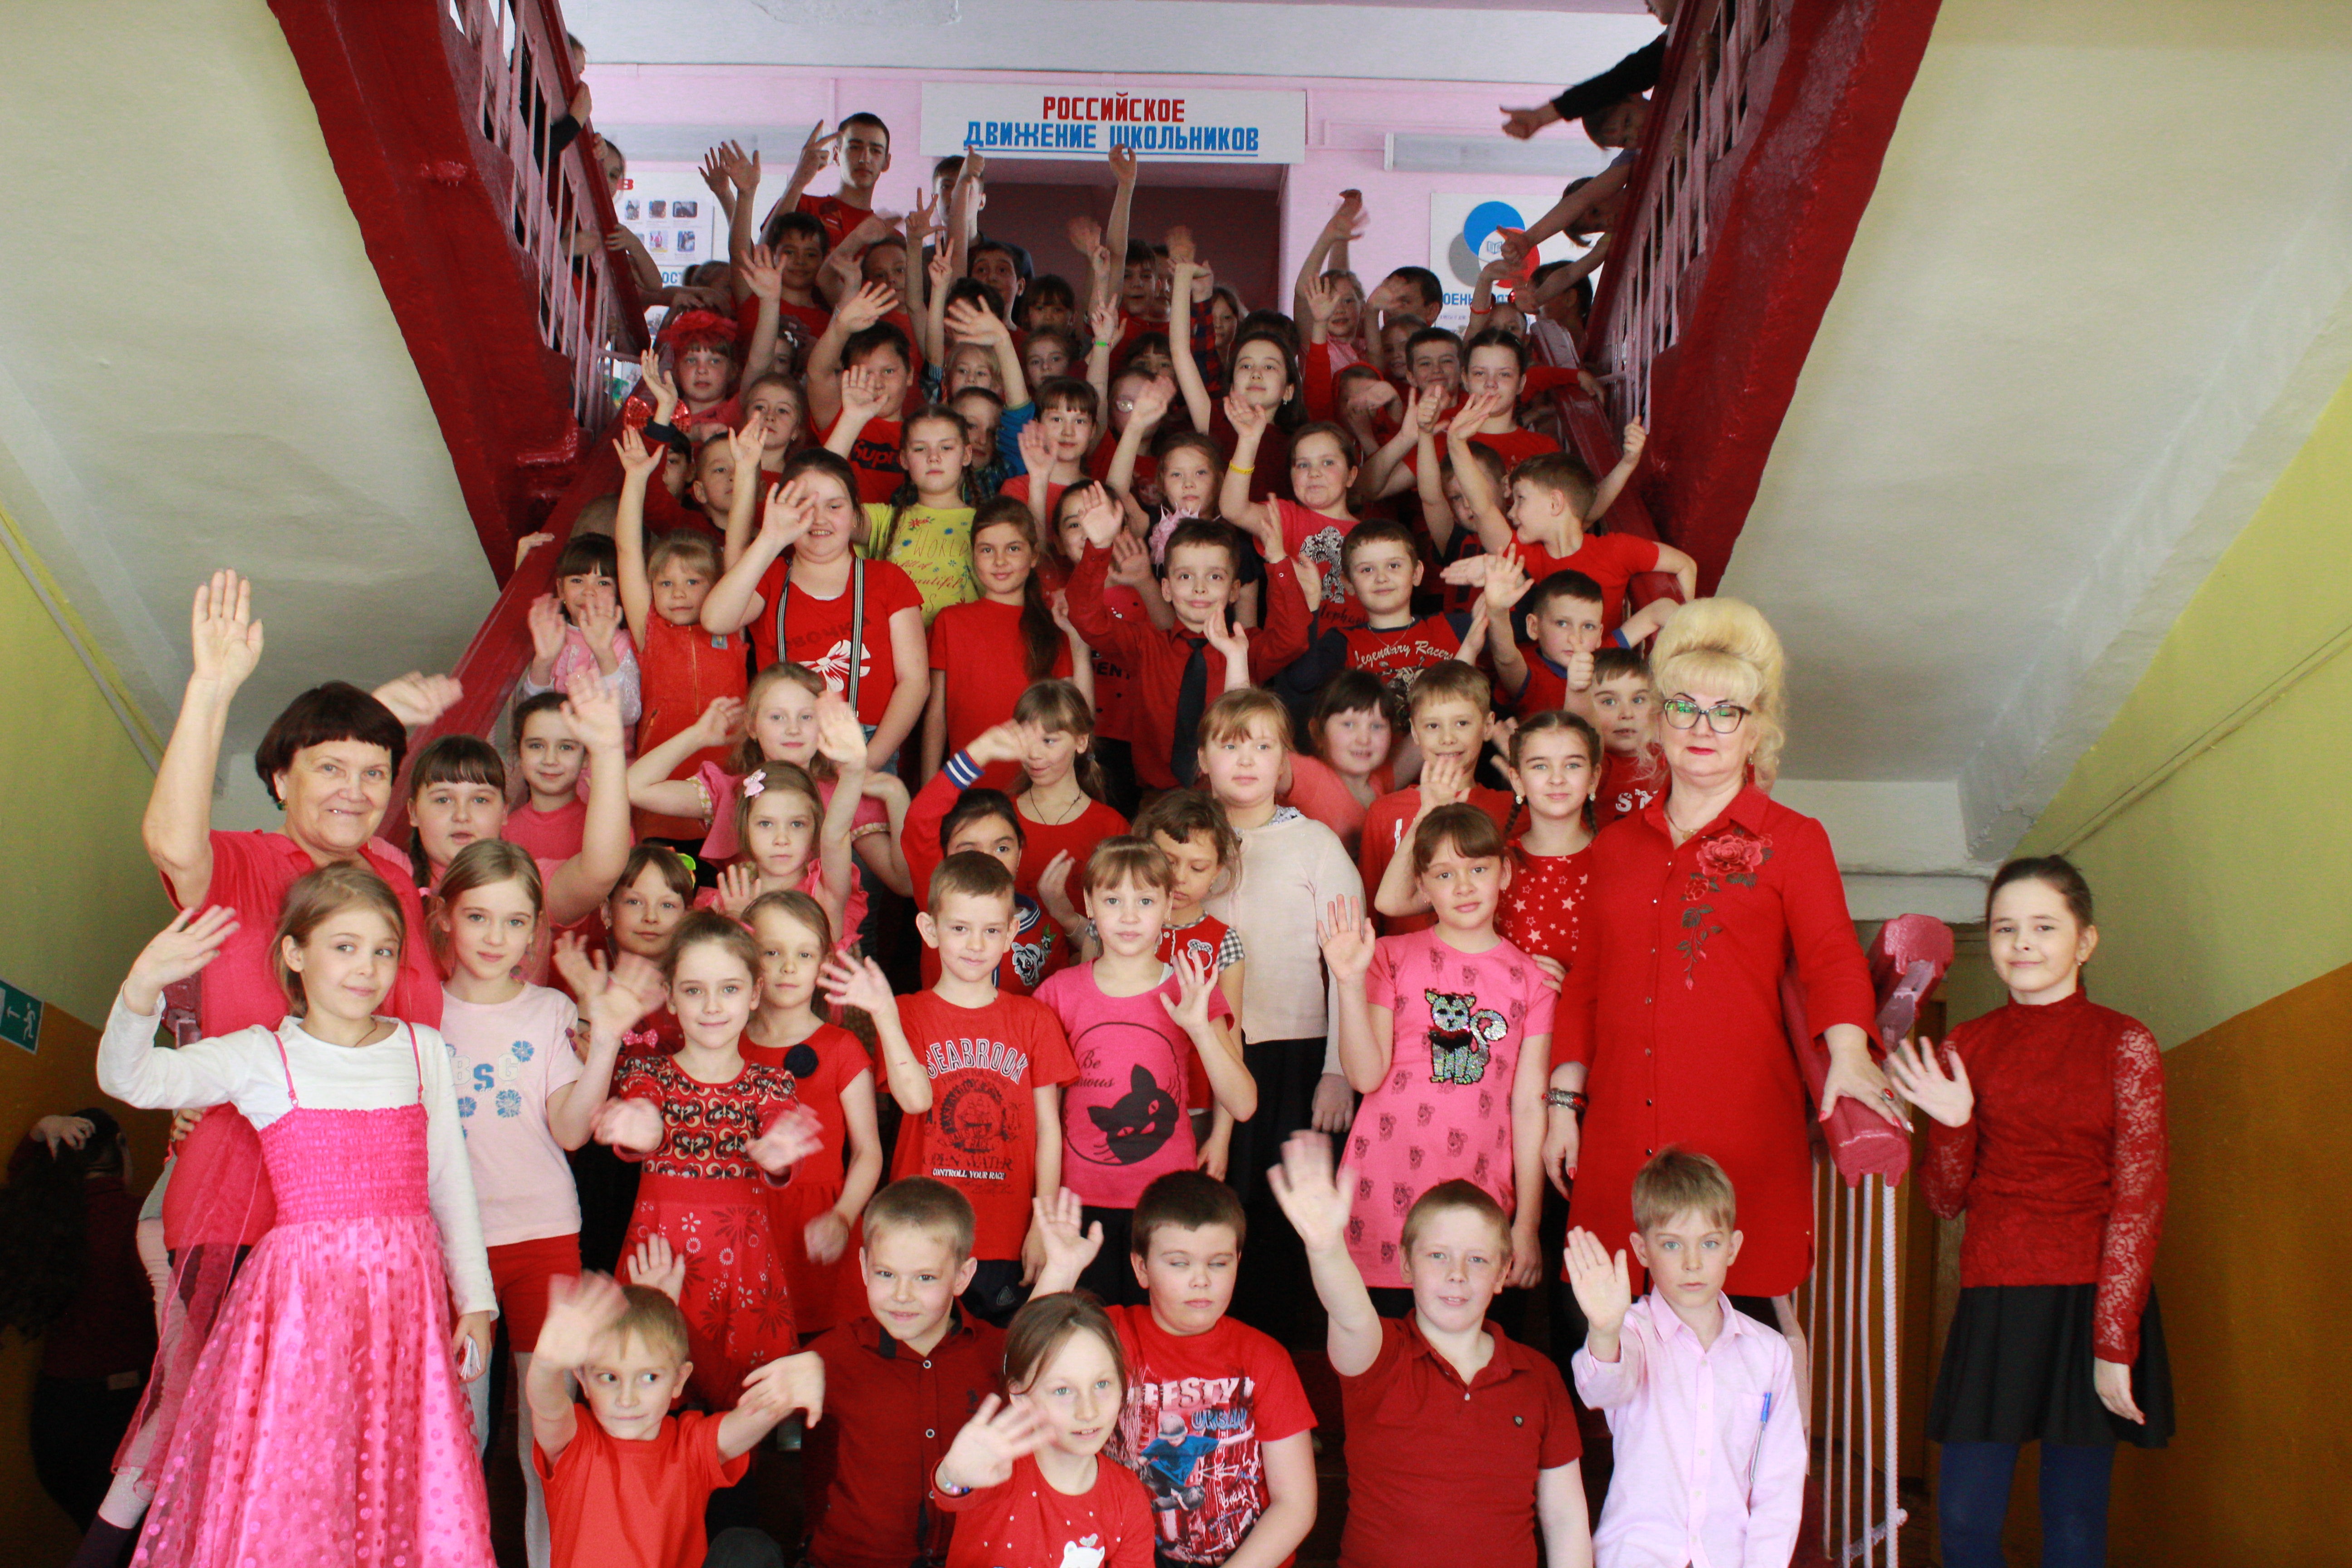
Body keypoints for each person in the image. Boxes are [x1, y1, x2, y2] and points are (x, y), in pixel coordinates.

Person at [122, 571, 459, 1561]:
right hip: (242, 1218)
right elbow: (168, 838)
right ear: (280, 780)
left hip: (382, 1240)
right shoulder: (239, 863)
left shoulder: (394, 880)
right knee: (223, 1457)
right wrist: (213, 687)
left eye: (373, 772)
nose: (354, 789)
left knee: (351, 1466)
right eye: (327, 768)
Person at [96, 870, 499, 1566]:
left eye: (383, 950)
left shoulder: (421, 1049)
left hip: (406, 1304)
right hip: (303, 1309)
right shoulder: (263, 1056)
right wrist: (141, 990)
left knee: (401, 1474)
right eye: (344, 946)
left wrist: (477, 1301)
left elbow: (449, 1182)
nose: (367, 967)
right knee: (304, 1473)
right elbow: (129, 1080)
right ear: (295, 953)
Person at [1550, 599, 1904, 1335]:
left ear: (1755, 730)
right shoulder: (1613, 848)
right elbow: (1584, 985)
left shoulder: (1793, 841)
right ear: (1658, 723)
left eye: (1726, 711)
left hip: (1739, 1137)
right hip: (1619, 1135)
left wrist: (1849, 1053)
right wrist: (1561, 1106)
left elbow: (1832, 956)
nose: (1702, 728)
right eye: (1683, 707)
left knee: (1739, 1345)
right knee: (1612, 1344)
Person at [1888, 856, 2172, 1568]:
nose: (2022, 943)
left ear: (2085, 941)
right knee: (1963, 1521)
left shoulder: (2125, 1042)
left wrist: (2114, 1343)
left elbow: (2139, 1200)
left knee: (2073, 1523)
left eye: (2044, 927)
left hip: (2091, 1301)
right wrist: (1954, 1121)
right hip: (1995, 1297)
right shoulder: (1967, 1045)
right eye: (2004, 928)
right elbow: (1943, 1200)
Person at [436, 842, 645, 1568]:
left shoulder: (550, 1009)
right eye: (478, 917)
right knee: (460, 1432)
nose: (496, 937)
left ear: (536, 929)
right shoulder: (419, 1013)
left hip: (544, 1237)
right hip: (451, 1249)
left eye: (515, 920)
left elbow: (569, 1128)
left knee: (545, 1436)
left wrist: (606, 1042)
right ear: (445, 917)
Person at [1271, 1135, 1591, 1568]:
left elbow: (1566, 1519)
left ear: (1503, 1273)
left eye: (1477, 1260)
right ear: (1407, 1264)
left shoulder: (1539, 1376)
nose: (1457, 1274)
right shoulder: (1379, 1354)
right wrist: (1326, 1248)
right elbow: (1349, 1313)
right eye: (1438, 1256)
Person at [588, 910, 826, 1411]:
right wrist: (638, 1127)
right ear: (671, 996)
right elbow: (645, 1117)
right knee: (646, 1399)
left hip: (741, 1270)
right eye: (694, 990)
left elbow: (781, 1139)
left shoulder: (771, 1084)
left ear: (755, 994)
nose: (713, 1006)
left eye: (729, 989)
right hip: (659, 1262)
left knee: (741, 1409)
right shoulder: (647, 1073)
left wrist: (779, 1154)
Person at [1326, 806, 1555, 1312]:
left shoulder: (1533, 982)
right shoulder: (1389, 956)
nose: (1464, 886)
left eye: (1478, 869)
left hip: (1479, 1201)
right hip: (1382, 1194)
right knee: (1381, 1349)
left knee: (1472, 1349)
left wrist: (1528, 1224)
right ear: (1423, 887)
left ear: (1505, 873)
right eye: (1445, 875)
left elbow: (1529, 1107)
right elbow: (1364, 1076)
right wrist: (1348, 983)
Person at [1033, 1173, 1321, 1568]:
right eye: (1179, 1263)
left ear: (1238, 1264)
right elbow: (1025, 1371)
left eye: (1218, 1263)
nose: (1201, 1280)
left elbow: (1296, 1505)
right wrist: (1060, 1272)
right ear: (1142, 1268)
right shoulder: (1107, 1335)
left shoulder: (1264, 1358)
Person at [1191, 691, 1366, 1336]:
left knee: (1281, 1219)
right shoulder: (1184, 839)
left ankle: (1278, 1362)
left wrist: (1337, 1071)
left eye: (1263, 747)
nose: (1247, 761)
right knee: (1213, 1210)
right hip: (1207, 1051)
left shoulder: (1315, 843)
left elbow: (1349, 965)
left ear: (1285, 761)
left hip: (1296, 1056)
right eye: (1231, 746)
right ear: (1203, 758)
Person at [798, 1179, 1085, 1568]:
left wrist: (1062, 1269)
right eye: (886, 1274)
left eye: (925, 1278)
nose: (902, 1294)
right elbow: (744, 1408)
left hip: (969, 1558)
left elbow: (1031, 1343)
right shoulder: (835, 1353)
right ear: (864, 1267)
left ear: (963, 1277)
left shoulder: (991, 1350)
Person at [855, 851, 1079, 1324]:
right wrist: (885, 1015)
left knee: (999, 1353)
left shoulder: (1034, 1020)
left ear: (1011, 933)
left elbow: (1049, 1130)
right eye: (959, 928)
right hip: (920, 1237)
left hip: (1006, 1233)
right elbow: (911, 1100)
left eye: (991, 930)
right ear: (930, 929)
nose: (976, 944)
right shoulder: (906, 1014)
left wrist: (1042, 1225)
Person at [1034, 839, 1252, 1303]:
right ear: (1089, 904)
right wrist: (1042, 1218)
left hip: (1165, 1208)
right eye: (1113, 901)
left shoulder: (1192, 989)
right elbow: (1043, 1119)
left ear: (1168, 906)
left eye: (1146, 902)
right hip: (1077, 1205)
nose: (1130, 917)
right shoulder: (1058, 993)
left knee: (1158, 1329)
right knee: (1084, 1328)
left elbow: (1243, 1103)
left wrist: (1199, 1027)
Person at [1564, 1149, 1804, 1568]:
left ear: (1732, 1247)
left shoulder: (1769, 1354)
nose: (1693, 1263)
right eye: (1672, 1245)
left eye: (1709, 1244)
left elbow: (1779, 1484)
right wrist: (1603, 1330)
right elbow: (1601, 1389)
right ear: (1642, 1250)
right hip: (1637, 1557)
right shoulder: (1630, 1332)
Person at [527, 1270, 823, 1568]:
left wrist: (786, 1393)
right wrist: (545, 1366)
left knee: (748, 1549)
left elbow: (746, 1422)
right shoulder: (577, 1443)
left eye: (649, 1378)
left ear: (679, 1380)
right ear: (583, 1380)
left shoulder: (690, 1445)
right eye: (609, 1377)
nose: (627, 1399)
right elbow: (548, 1409)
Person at [1063, 492, 1311, 792]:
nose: (1199, 588)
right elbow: (1087, 618)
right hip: (1157, 797)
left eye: (1215, 577)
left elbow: (1293, 638)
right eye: (1185, 577)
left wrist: (1277, 560)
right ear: (1166, 588)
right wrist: (1100, 546)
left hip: (1229, 796)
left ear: (1234, 590)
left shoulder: (1246, 648)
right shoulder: (1145, 645)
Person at [703, 454, 931, 774]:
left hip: (867, 744)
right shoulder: (770, 577)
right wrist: (771, 538)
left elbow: (915, 682)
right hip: (785, 746)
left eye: (834, 506)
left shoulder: (888, 580)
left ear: (856, 514)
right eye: (805, 506)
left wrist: (870, 760)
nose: (820, 519)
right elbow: (716, 620)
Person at [739, 891, 885, 1339]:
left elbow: (868, 1152)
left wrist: (843, 1216)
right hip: (742, 1223)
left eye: (803, 955)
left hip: (820, 1224)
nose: (788, 967)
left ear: (824, 965)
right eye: (772, 952)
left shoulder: (842, 1048)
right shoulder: (726, 1043)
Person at [1, 1110, 153, 1535]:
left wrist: (40, 1130)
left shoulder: (43, 1218)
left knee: (100, 1541)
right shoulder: (138, 1220)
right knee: (134, 1544)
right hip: (120, 1413)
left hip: (56, 1413)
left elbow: (20, 1178)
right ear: (120, 1146)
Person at [930, 1293, 1157, 1568]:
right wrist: (952, 1476)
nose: (1088, 1412)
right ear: (1020, 1395)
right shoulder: (996, 1466)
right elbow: (952, 1489)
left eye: (1102, 1384)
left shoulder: (1127, 1497)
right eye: (1063, 1390)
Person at [612, 427, 753, 841]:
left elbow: (737, 545)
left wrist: (747, 473)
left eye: (693, 582)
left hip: (729, 780)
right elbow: (627, 552)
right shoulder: (650, 629)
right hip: (661, 783)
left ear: (717, 587)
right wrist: (636, 479)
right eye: (666, 584)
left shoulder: (730, 625)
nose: (678, 594)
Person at [923, 502, 1087, 782]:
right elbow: (937, 716)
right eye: (987, 550)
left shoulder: (1053, 624)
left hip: (1038, 786)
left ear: (1034, 556)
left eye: (1013, 549)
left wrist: (1076, 639)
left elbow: (1075, 714)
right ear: (973, 555)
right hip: (968, 785)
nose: (1000, 561)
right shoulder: (950, 621)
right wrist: (931, 787)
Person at [1356, 662, 1515, 937]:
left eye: (1462, 723)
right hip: (1404, 960)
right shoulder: (1384, 811)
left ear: (1488, 726)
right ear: (1415, 733)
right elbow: (1370, 910)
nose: (1448, 738)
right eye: (1433, 726)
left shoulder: (1510, 807)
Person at [1268, 519, 1484, 715]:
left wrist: (1496, 572)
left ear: (1417, 573)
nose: (1381, 578)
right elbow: (1303, 682)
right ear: (1348, 583)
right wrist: (1311, 604)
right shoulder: (1342, 642)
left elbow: (1505, 627)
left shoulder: (1452, 627)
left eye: (1394, 566)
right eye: (1367, 570)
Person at [1481, 559, 1679, 719]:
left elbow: (1660, 610)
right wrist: (1497, 612)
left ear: (1599, 635)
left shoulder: (1600, 657)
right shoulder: (1530, 674)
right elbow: (1506, 658)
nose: (1576, 637)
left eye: (1588, 626)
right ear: (1534, 627)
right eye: (1562, 623)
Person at [856, 403, 983, 625]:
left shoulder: (987, 525)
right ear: (904, 459)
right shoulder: (885, 520)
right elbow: (820, 502)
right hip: (893, 645)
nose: (934, 457)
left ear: (966, 455)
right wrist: (852, 418)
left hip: (961, 645)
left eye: (946, 448)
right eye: (920, 449)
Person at [1278, 670, 1401, 859]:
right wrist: (1237, 658)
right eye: (1349, 725)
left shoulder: (1380, 781)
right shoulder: (1306, 774)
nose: (1364, 739)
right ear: (1317, 732)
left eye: (1377, 726)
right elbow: (1242, 729)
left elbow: (1428, 732)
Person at [1586, 648, 1668, 828]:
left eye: (1638, 700)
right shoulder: (1593, 766)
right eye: (1609, 702)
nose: (1627, 713)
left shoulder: (1670, 758)